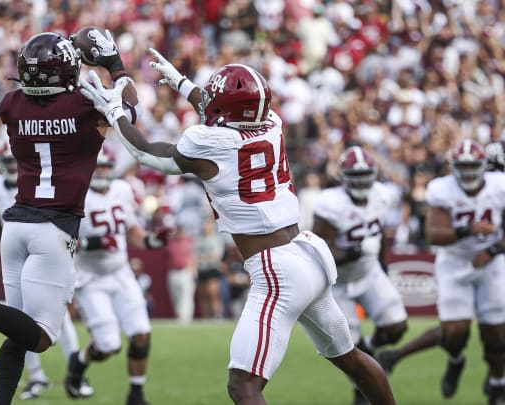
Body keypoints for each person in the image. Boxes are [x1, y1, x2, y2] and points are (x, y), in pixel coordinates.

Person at [77, 51, 396, 404]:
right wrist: (183, 84)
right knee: (351, 359)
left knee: (243, 385)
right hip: (309, 252)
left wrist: (114, 111)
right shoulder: (272, 123)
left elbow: (146, 153)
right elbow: (228, 112)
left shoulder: (209, 142)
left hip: (277, 270)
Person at [0, 30, 137, 404]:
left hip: (14, 227)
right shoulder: (83, 106)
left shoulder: (11, 104)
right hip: (54, 230)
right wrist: (113, 65)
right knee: (42, 336)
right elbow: (130, 114)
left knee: (17, 333)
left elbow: (46, 104)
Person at [376, 140, 505, 405]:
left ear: (484, 167)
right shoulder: (442, 189)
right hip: (455, 261)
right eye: (463, 166)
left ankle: (496, 385)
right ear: (453, 168)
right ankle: (456, 359)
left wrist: (491, 251)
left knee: (497, 334)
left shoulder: (499, 186)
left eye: (473, 166)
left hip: (491, 261)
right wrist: (467, 230)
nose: (468, 172)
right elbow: (433, 234)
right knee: (455, 331)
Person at [0, 150, 93, 400]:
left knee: (49, 319)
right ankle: (36, 376)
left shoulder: (43, 174)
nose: (12, 166)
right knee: (20, 322)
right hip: (17, 245)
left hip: (44, 240)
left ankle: (73, 370)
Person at [64, 152, 168, 405]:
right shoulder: (75, 194)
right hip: (90, 279)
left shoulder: (122, 189)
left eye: (105, 167)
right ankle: (79, 362)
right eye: (96, 166)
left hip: (121, 274)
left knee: (141, 334)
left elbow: (131, 229)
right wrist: (91, 242)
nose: (100, 172)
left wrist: (150, 240)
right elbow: (61, 240)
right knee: (107, 346)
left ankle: (136, 394)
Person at [311, 146, 408, 405]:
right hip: (337, 282)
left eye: (366, 175)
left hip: (369, 272)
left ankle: (370, 346)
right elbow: (322, 250)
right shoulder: (330, 203)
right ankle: (361, 389)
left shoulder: (383, 195)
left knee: (396, 326)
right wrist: (355, 250)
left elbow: (381, 240)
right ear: (343, 176)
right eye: (355, 175)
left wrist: (383, 265)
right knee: (349, 350)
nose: (361, 181)